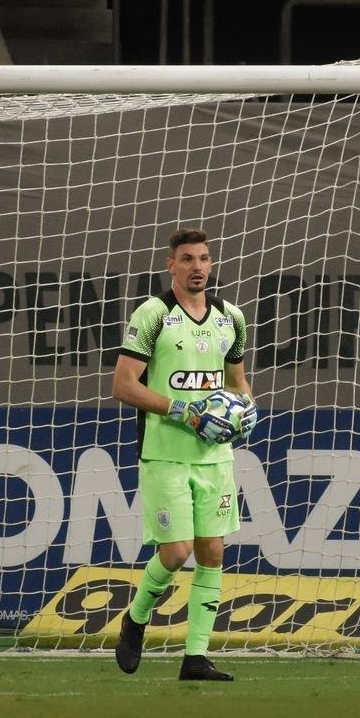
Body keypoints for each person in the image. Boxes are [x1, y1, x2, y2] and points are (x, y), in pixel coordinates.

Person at [111, 228, 257, 681]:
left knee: (212, 550)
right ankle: (135, 620)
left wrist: (246, 411)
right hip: (165, 452)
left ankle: (196, 658)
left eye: (204, 259)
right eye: (188, 259)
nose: (197, 267)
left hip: (215, 455)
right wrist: (185, 412)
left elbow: (237, 384)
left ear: (211, 265)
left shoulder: (231, 317)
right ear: (171, 265)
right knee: (175, 552)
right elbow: (123, 385)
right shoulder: (153, 314)